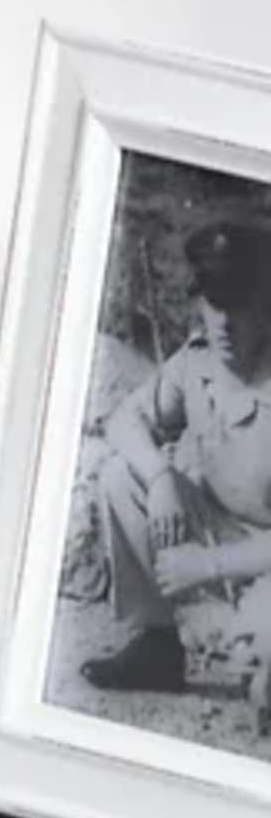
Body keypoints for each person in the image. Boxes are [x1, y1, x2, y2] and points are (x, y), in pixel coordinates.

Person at [84, 218, 271, 721]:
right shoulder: (197, 362)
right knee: (122, 475)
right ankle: (159, 645)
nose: (223, 323)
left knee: (265, 688)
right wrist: (161, 477)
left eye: (239, 305)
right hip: (219, 530)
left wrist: (206, 566)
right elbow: (124, 420)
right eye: (213, 303)